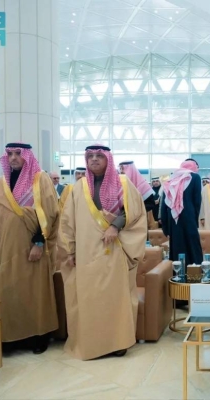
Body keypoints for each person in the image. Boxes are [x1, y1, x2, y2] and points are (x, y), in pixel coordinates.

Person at [59, 145, 146, 360]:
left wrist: (115, 226)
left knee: (114, 298)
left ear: (108, 159)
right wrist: (70, 251)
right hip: (86, 253)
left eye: (99, 156)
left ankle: (118, 342)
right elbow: (67, 222)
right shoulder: (77, 187)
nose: (94, 160)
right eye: (90, 156)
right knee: (89, 298)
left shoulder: (123, 183)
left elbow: (134, 213)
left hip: (114, 250)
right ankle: (90, 341)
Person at [0, 143, 59, 355]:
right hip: (4, 249)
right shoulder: (0, 184)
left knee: (34, 293)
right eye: (10, 154)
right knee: (6, 293)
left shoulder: (40, 179)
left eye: (18, 154)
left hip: (31, 248)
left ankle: (38, 337)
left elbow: (50, 213)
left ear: (27, 156)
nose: (13, 158)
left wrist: (39, 242)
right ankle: (5, 338)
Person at [161, 159, 203, 266]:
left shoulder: (172, 179)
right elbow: (197, 201)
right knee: (192, 246)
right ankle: (195, 273)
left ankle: (178, 275)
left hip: (173, 218)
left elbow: (164, 205)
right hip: (189, 216)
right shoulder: (195, 177)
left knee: (177, 245)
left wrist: (166, 227)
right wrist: (195, 220)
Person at [119, 161, 157, 229]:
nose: (121, 171)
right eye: (120, 169)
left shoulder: (143, 185)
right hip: (120, 221)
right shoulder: (119, 184)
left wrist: (134, 210)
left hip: (139, 221)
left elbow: (150, 204)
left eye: (123, 168)